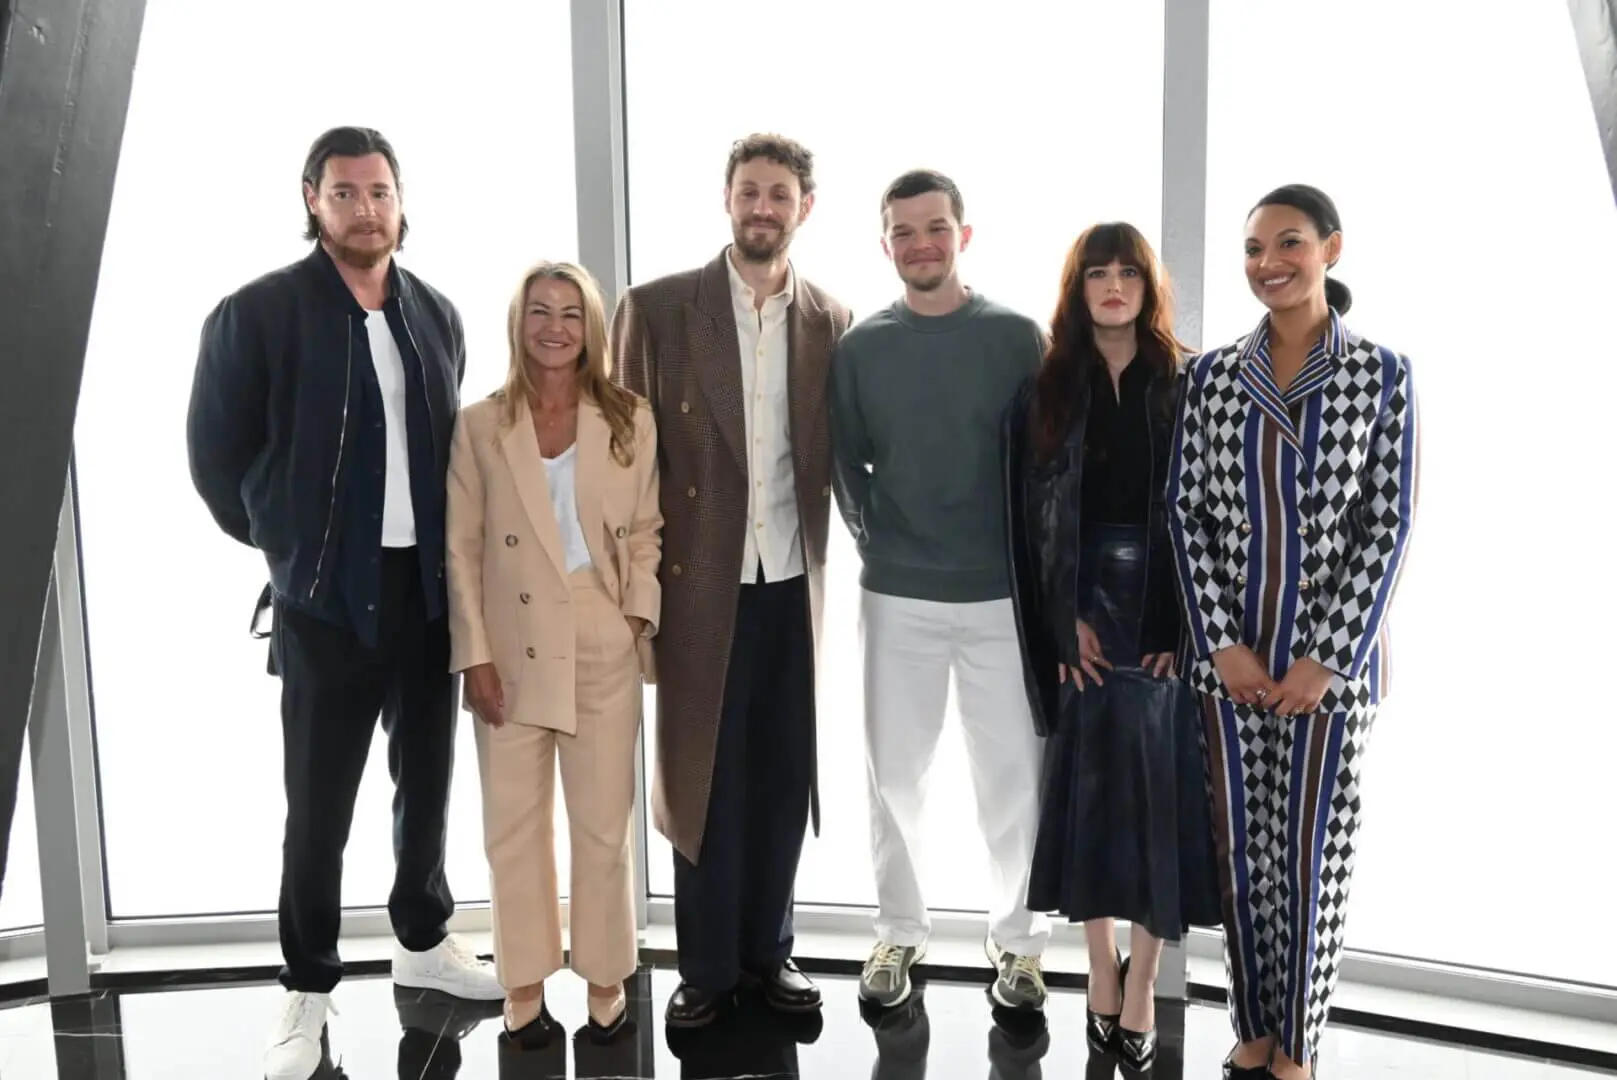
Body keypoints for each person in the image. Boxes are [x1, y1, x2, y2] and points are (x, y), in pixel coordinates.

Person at [184, 126, 501, 1080]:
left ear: (401, 201)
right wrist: (294, 552)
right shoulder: (256, 314)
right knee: (318, 807)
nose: (366, 209)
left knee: (427, 784)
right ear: (312, 200)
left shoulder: (435, 314)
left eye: (379, 192)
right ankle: (306, 987)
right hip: (324, 605)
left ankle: (423, 940)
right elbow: (216, 462)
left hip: (425, 594)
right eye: (345, 193)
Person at [1168, 185, 1419, 1080]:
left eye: (1288, 243)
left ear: (1330, 249)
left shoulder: (1379, 374)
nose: (1267, 263)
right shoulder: (1209, 377)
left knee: (1312, 858)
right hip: (1229, 662)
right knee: (1240, 855)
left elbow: (1386, 526)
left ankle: (1298, 1048)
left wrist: (1325, 660)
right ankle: (1251, 1026)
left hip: (1329, 671)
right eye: (1252, 248)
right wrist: (1221, 644)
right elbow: (1185, 514)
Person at [608, 133, 853, 1028]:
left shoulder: (831, 320)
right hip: (695, 584)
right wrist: (635, 600)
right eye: (749, 190)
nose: (762, 207)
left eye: (779, 194)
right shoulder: (658, 309)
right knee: (701, 777)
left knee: (782, 776)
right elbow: (624, 465)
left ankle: (768, 953)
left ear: (803, 208)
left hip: (791, 578)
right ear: (726, 198)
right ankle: (706, 967)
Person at [829, 169, 1050, 1013]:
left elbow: (1045, 461)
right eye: (903, 231)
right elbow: (845, 465)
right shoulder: (862, 347)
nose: (919, 244)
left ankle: (1019, 944)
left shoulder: (1015, 338)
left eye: (934, 228)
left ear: (964, 234)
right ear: (884, 243)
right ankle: (899, 930)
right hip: (898, 597)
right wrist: (881, 545)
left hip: (1000, 597)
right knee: (894, 774)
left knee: (1013, 777)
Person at [445, 261, 661, 1046]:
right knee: (513, 827)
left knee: (602, 825)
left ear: (591, 327)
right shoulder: (480, 424)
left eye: (571, 313)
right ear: (518, 323)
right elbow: (461, 549)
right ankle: (524, 984)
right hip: (510, 643)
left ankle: (605, 976)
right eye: (539, 311)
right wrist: (473, 657)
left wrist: (635, 615)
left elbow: (647, 529)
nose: (555, 327)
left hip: (600, 633)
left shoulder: (630, 417)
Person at [1003, 222, 1199, 1070]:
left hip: (1164, 613)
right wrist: (1061, 618)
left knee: (1158, 799)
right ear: (1076, 288)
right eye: (1096, 273)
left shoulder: (1187, 383)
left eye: (1128, 272)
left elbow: (1211, 518)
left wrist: (1178, 623)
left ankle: (1144, 976)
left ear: (1148, 286)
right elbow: (1026, 525)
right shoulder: (1044, 388)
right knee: (1085, 791)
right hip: (1079, 611)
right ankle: (1097, 963)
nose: (1113, 286)